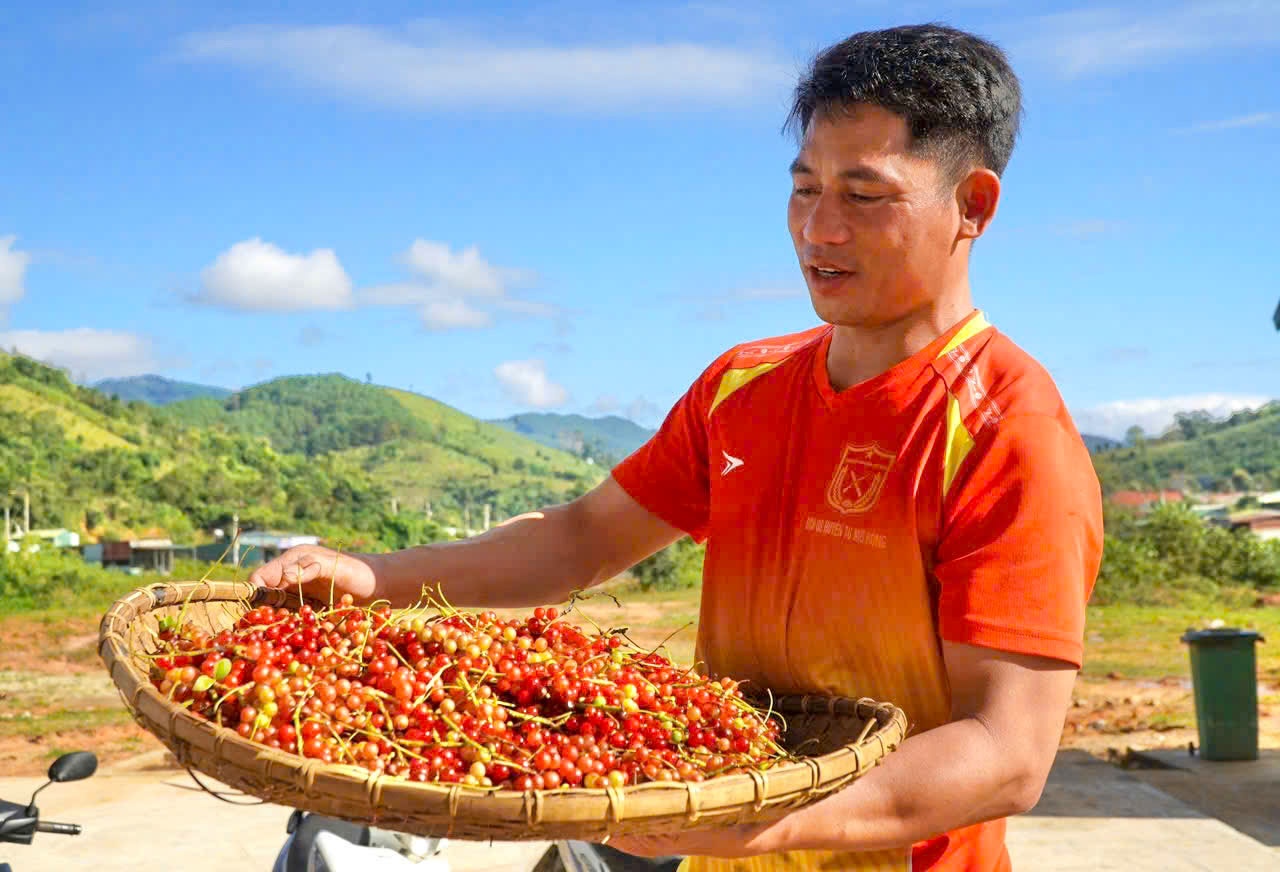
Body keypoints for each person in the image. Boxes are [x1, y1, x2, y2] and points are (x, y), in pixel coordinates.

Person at [251, 23, 1103, 872]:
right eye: (804, 188)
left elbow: (1006, 751)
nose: (819, 229)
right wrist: (376, 578)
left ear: (974, 207)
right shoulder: (743, 386)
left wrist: (764, 820)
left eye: (864, 195)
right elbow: (585, 537)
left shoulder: (1006, 433)